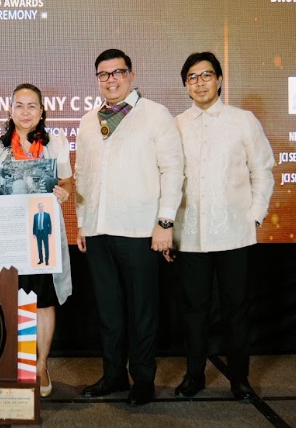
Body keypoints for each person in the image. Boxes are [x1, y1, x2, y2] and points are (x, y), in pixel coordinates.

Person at [74, 49, 184, 406]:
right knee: (109, 310)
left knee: (142, 310)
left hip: (140, 230)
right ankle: (113, 375)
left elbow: (172, 170)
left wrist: (165, 222)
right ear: (97, 79)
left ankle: (143, 379)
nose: (111, 80)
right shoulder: (88, 120)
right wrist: (82, 223)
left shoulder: (155, 114)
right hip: (98, 229)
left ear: (131, 75)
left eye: (117, 72)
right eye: (103, 74)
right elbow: (82, 175)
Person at [171, 52, 274, 400]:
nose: (199, 83)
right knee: (193, 311)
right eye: (192, 77)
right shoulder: (176, 125)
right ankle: (194, 376)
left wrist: (254, 215)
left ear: (219, 80)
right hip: (189, 234)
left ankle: (239, 379)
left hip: (234, 233)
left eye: (206, 75)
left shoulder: (242, 121)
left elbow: (262, 170)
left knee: (236, 310)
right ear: (186, 85)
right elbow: (168, 177)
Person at [0, 83, 73, 397]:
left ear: (42, 111)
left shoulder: (54, 144)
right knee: (13, 297)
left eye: (32, 106)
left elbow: (67, 181)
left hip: (42, 233)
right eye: (19, 105)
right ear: (10, 110)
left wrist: (64, 192)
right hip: (8, 234)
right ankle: (21, 362)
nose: (25, 112)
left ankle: (40, 365)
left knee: (43, 300)